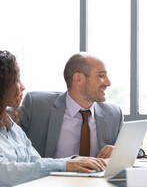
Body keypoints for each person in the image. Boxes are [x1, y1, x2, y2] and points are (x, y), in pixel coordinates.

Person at [0, 50, 107, 186]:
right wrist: (65, 164)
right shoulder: (35, 105)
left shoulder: (14, 129)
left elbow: (36, 162)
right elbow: (4, 172)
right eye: (16, 80)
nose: (22, 87)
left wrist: (72, 162)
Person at [16, 52, 123, 159]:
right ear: (78, 79)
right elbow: (8, 143)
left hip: (97, 175)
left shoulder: (114, 114)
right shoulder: (36, 106)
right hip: (49, 175)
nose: (108, 83)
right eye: (101, 76)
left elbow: (135, 151)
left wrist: (119, 151)